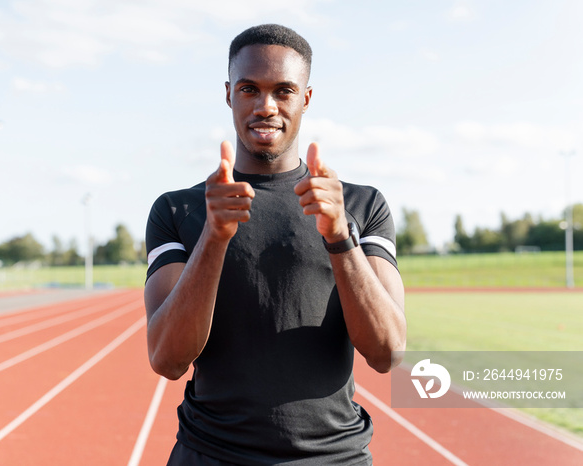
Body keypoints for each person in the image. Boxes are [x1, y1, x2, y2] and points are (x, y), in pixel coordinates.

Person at [144, 24, 406, 465]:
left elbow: (388, 352)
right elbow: (167, 359)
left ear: (305, 98)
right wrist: (214, 237)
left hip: (333, 459)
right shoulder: (180, 209)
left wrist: (339, 237)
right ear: (229, 94)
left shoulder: (361, 204)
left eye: (283, 91)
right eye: (250, 89)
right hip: (211, 456)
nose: (266, 106)